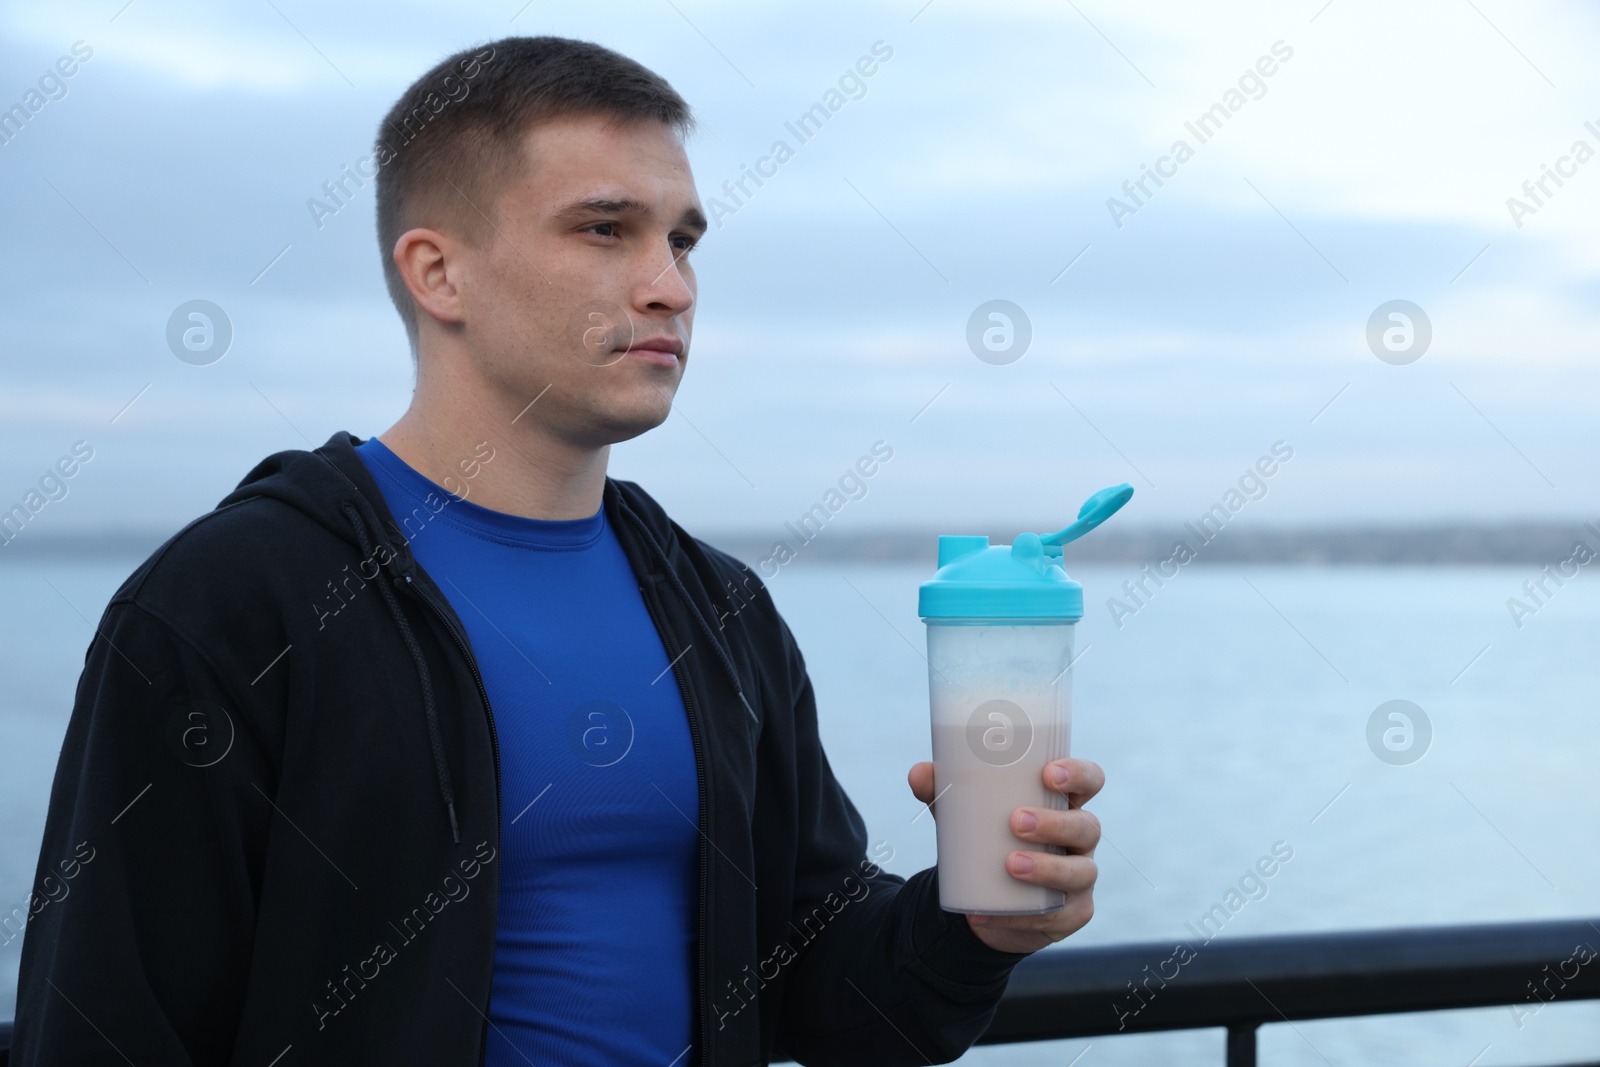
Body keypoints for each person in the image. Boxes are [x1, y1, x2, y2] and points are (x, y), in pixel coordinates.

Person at [10, 35, 1102, 1066]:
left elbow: (814, 978)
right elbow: (111, 1022)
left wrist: (978, 918)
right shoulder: (233, 603)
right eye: (603, 229)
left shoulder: (717, 607)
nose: (669, 283)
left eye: (680, 238)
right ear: (439, 273)